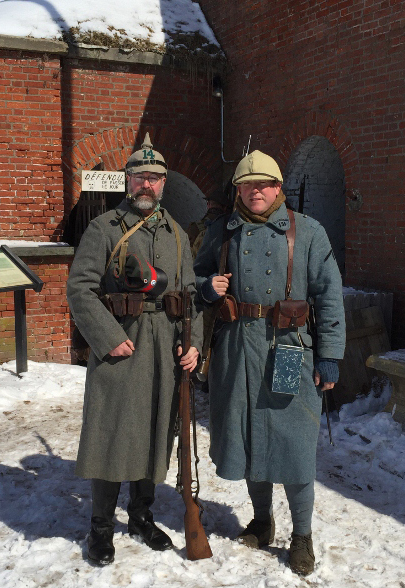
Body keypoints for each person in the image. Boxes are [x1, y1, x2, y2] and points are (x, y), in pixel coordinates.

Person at [193, 150, 345, 576]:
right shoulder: (221, 231)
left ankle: (302, 536)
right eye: (246, 184)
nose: (255, 190)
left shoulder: (309, 232)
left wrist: (330, 355)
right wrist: (207, 287)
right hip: (236, 351)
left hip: (289, 349)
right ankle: (262, 521)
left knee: (295, 449)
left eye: (263, 183)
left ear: (278, 188)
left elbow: (330, 294)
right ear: (238, 190)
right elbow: (194, 279)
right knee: (247, 441)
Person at [67, 133, 202, 566]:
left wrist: (193, 342)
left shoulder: (178, 235)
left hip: (165, 345)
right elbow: (80, 290)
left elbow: (191, 297)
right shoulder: (103, 229)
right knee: (110, 431)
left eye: (155, 178)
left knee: (155, 429)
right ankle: (100, 528)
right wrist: (108, 337)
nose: (147, 185)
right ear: (127, 180)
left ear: (164, 184)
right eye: (140, 177)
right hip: (121, 344)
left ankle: (141, 515)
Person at [186, 189, 232, 259]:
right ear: (225, 207)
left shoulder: (195, 227)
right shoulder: (230, 227)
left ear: (208, 205)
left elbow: (186, 254)